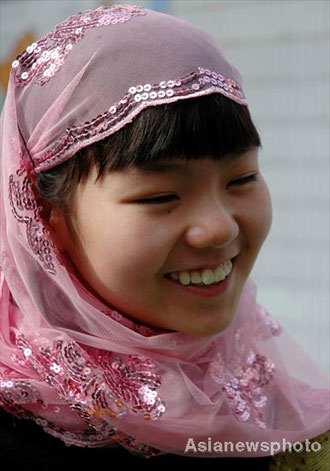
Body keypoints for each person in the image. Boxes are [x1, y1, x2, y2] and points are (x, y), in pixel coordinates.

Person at [0, 4, 329, 469]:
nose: (220, 228)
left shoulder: (276, 411)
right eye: (159, 197)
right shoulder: (18, 424)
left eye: (242, 179)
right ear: (43, 213)